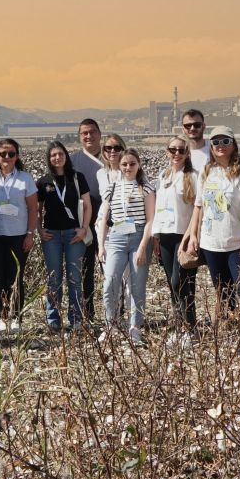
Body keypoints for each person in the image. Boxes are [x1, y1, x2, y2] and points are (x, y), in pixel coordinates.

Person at [181, 126, 240, 325]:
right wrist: (194, 236)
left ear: (233, 144)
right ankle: (231, 329)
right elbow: (199, 207)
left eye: (225, 141)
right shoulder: (208, 171)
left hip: (235, 243)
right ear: (211, 146)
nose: (220, 146)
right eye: (216, 142)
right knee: (223, 290)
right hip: (211, 243)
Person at [0, 139, 41, 333]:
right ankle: (2, 317)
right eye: (3, 154)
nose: (7, 157)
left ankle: (16, 317)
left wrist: (30, 234)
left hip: (18, 236)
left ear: (17, 156)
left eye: (11, 154)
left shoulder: (25, 179)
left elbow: (33, 209)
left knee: (16, 278)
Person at [98, 146, 154, 342]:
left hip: (139, 238)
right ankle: (111, 323)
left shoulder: (146, 188)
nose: (128, 167)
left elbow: (150, 220)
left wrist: (143, 247)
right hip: (116, 238)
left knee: (137, 285)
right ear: (118, 165)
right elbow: (105, 218)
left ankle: (135, 326)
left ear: (138, 165)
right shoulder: (111, 188)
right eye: (124, 164)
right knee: (110, 282)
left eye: (132, 164)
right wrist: (101, 245)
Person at [37, 140, 93, 330]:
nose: (57, 157)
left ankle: (76, 319)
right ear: (49, 159)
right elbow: (37, 210)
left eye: (60, 154)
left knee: (75, 278)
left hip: (73, 235)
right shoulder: (43, 182)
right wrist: (39, 229)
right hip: (51, 235)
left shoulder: (77, 178)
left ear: (66, 156)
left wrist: (84, 228)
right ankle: (54, 320)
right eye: (53, 155)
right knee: (54, 278)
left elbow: (87, 205)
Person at [149, 137, 199, 333]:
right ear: (167, 151)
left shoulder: (193, 176)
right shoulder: (163, 176)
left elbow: (198, 208)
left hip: (183, 235)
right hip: (165, 235)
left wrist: (193, 234)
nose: (176, 153)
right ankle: (181, 325)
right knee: (172, 283)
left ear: (187, 153)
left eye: (181, 150)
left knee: (181, 281)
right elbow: (158, 208)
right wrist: (156, 237)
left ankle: (190, 325)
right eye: (173, 150)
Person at [71, 119, 109, 313]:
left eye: (93, 132)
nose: (89, 136)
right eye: (84, 133)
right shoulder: (73, 161)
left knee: (110, 271)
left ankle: (115, 313)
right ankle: (87, 312)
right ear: (80, 136)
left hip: (109, 225)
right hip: (83, 225)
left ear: (100, 134)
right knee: (84, 271)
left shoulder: (111, 155)